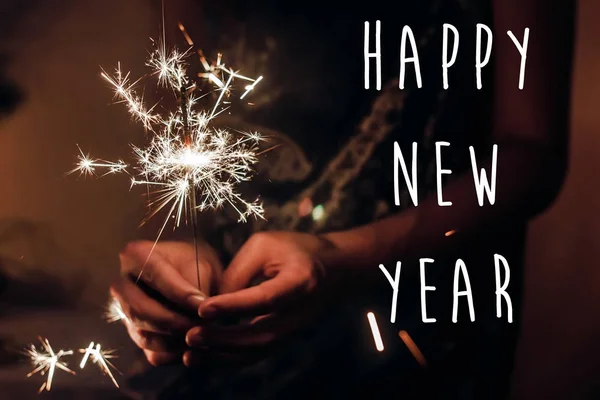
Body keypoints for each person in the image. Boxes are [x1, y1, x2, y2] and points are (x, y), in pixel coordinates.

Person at [110, 0, 574, 398]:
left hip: (416, 317)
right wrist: (170, 261)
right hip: (216, 340)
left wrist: (347, 259)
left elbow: (530, 152)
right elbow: (172, 123)